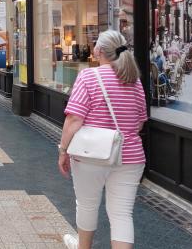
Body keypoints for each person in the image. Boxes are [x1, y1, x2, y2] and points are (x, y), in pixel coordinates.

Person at [58, 30, 147, 249]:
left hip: (91, 156)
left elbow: (74, 120)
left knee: (87, 205)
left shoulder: (88, 76)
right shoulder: (134, 81)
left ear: (98, 51)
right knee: (122, 214)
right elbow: (139, 123)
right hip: (130, 157)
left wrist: (63, 150)